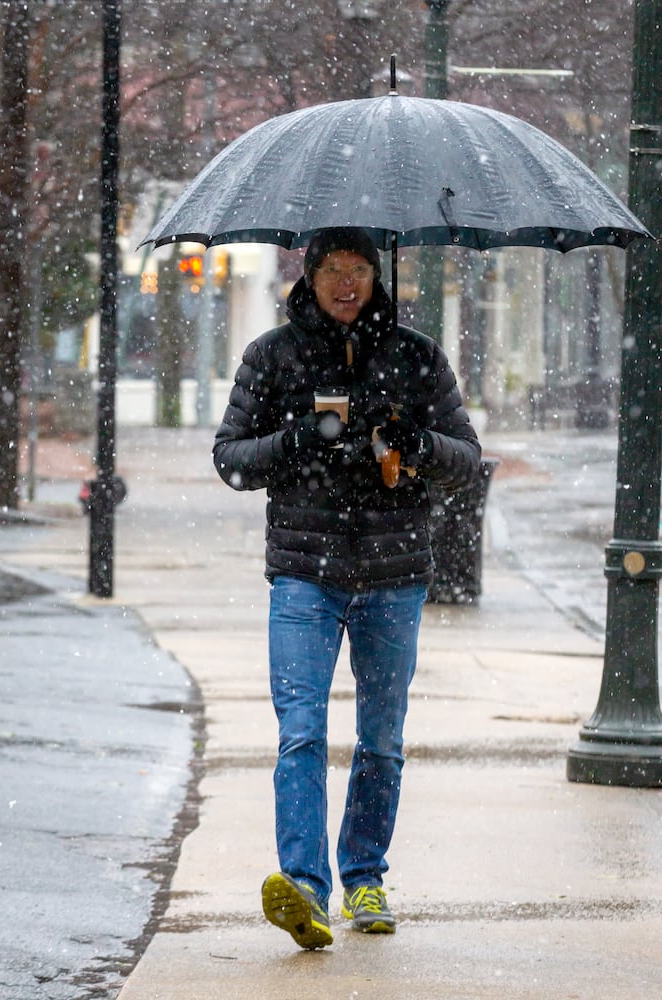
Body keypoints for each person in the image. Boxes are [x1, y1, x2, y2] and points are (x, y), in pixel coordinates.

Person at [213, 227, 481, 950]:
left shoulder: (416, 357)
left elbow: (465, 459)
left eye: (360, 270)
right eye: (335, 269)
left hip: (393, 575)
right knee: (301, 731)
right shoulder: (272, 355)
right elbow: (231, 457)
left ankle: (364, 874)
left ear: (377, 275)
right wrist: (298, 439)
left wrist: (415, 445)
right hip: (304, 573)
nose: (347, 283)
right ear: (311, 272)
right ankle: (304, 887)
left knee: (382, 740)